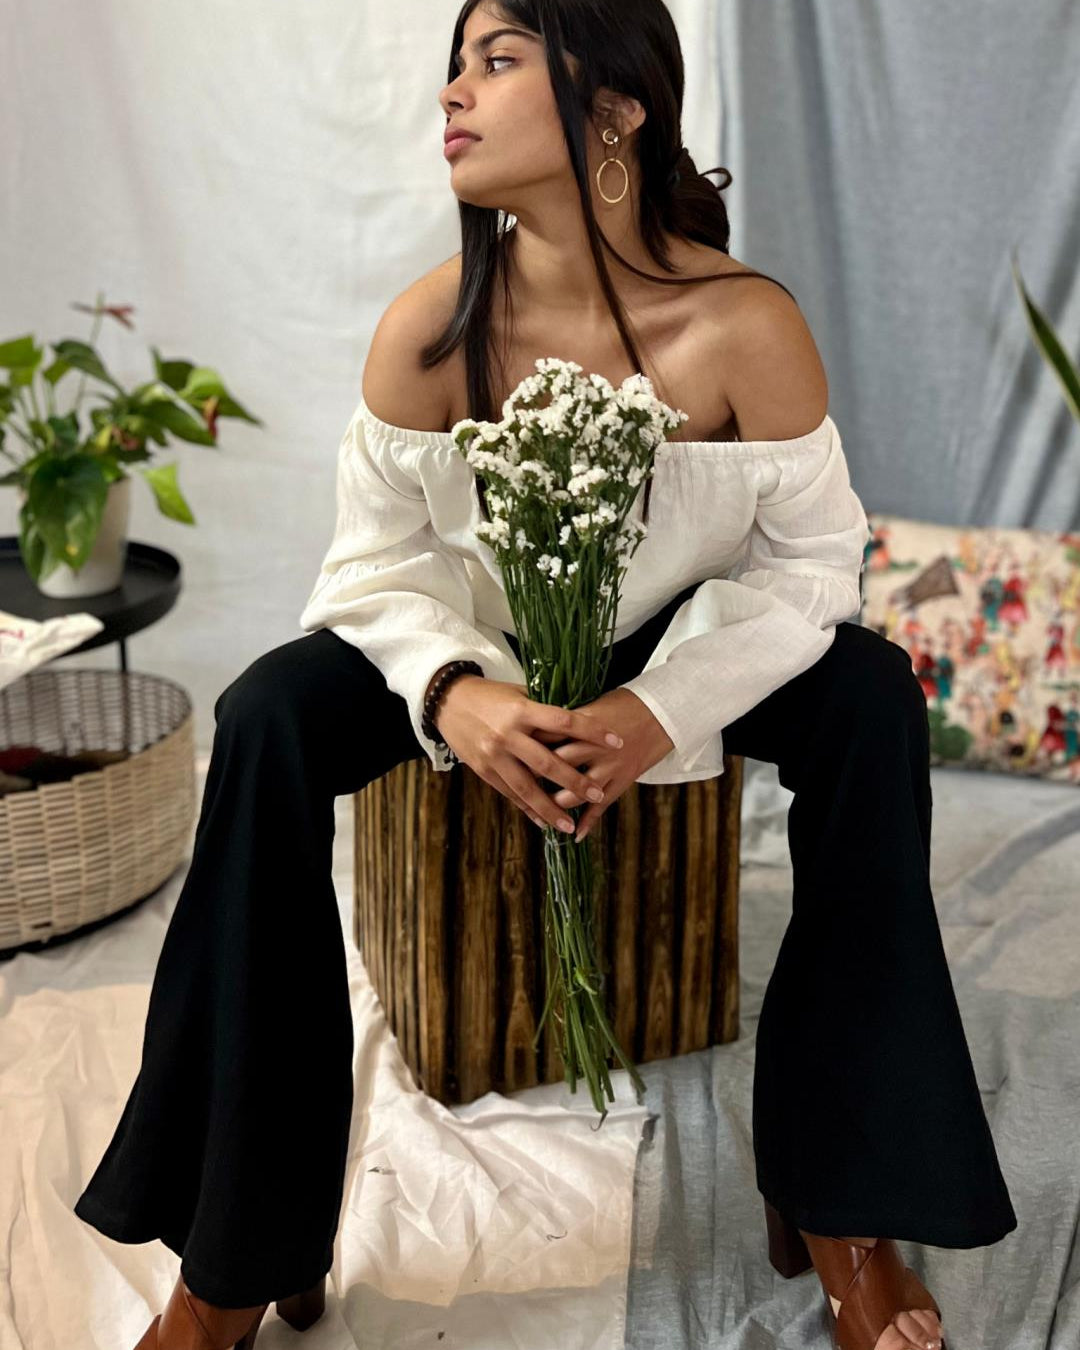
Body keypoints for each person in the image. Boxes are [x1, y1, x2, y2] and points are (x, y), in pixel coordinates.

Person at [73, 3, 1016, 1348]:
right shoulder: (429, 331)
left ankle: (845, 1204)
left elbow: (817, 567)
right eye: (453, 64)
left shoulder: (743, 325)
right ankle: (235, 1252)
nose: (453, 92)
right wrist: (455, 693)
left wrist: (659, 708)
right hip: (481, 653)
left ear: (616, 108)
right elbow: (366, 571)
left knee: (872, 697)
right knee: (266, 714)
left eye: (497, 58)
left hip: (681, 650)